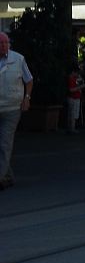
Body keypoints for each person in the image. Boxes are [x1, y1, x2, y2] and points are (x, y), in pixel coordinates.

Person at [0, 32, 33, 190]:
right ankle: (7, 176)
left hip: (12, 108)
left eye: (6, 43)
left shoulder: (18, 59)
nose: (4, 46)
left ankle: (0, 177)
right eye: (1, 43)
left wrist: (26, 97)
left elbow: (29, 80)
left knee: (5, 143)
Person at [66, 62, 85, 134]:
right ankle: (72, 129)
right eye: (77, 73)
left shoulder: (76, 78)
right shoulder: (71, 78)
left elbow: (80, 83)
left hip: (76, 97)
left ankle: (70, 128)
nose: (78, 74)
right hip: (73, 98)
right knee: (73, 114)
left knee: (72, 113)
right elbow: (71, 89)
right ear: (73, 72)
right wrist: (80, 87)